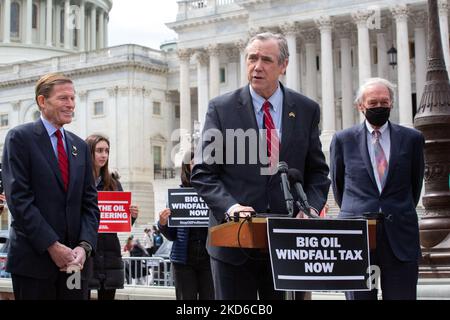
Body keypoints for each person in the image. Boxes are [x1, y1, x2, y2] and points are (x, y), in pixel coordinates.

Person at [190, 32, 330, 300]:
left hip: (287, 246)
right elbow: (204, 174)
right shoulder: (221, 108)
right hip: (232, 244)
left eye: (266, 59)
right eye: (252, 58)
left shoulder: (306, 109)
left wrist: (309, 207)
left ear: (283, 65)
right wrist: (231, 208)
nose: (257, 66)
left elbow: (318, 173)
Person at [1, 73, 100, 300]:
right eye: (63, 98)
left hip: (74, 266)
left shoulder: (79, 146)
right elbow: (19, 200)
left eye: (73, 98)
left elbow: (90, 204)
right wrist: (53, 246)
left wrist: (84, 247)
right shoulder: (20, 139)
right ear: (42, 101)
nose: (71, 104)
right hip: (34, 262)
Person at [330, 77, 425, 300]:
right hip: (357, 239)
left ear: (392, 103)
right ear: (360, 106)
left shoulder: (412, 139)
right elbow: (339, 186)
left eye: (384, 102)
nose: (379, 107)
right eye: (373, 103)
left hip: (400, 237)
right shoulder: (343, 140)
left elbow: (415, 183)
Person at [85, 134, 139, 300]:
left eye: (107, 151)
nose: (104, 155)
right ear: (89, 152)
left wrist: (132, 216)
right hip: (85, 251)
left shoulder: (114, 183)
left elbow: (121, 221)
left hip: (109, 252)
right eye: (99, 150)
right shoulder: (78, 180)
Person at [158, 150, 214, 300]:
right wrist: (162, 223)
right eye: (194, 161)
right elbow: (171, 235)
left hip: (209, 258)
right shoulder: (177, 195)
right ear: (187, 166)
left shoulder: (215, 193)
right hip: (183, 261)